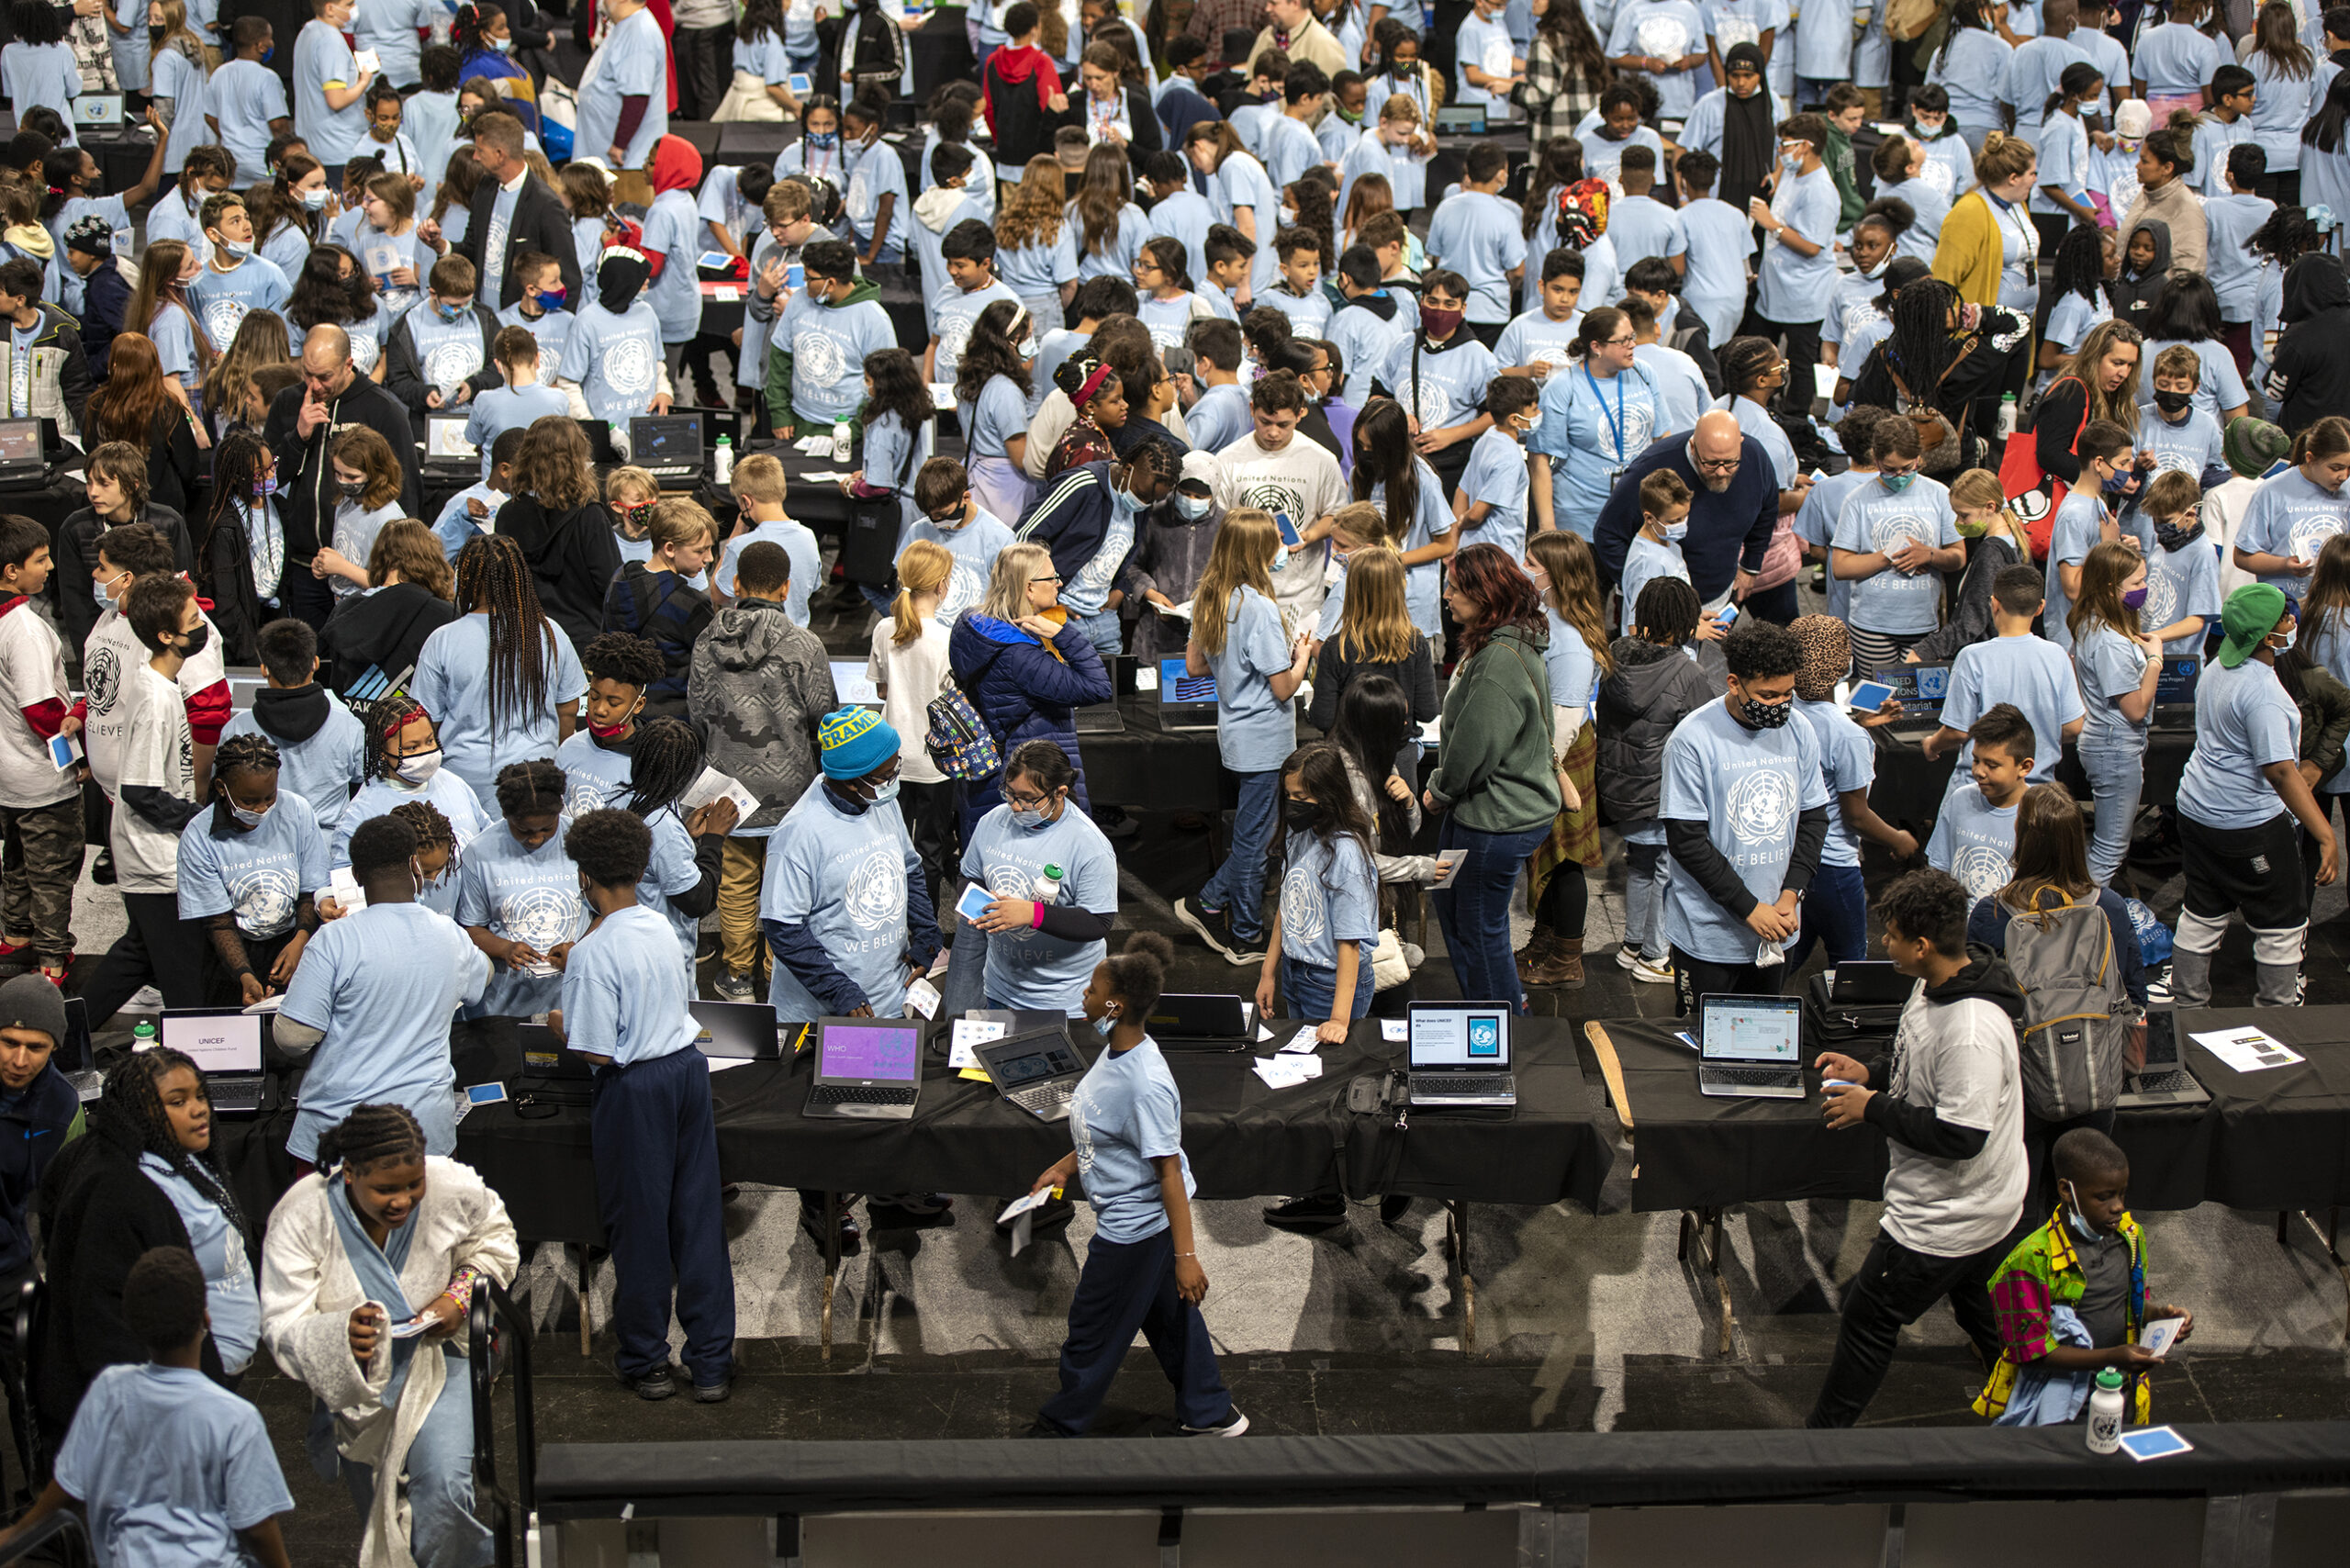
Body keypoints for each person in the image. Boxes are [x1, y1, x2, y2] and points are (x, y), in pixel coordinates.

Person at [1807, 867, 2028, 1428]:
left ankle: (1819, 1442)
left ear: (1922, 944)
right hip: (1980, 1211)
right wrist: (1873, 1073)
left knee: (1868, 1316)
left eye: (1893, 935)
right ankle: (2028, 1400)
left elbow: (1961, 1135)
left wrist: (1871, 1108)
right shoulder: (1935, 984)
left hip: (1948, 1216)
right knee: (1980, 1307)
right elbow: (1916, 1061)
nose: (1885, 943)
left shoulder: (1972, 1029)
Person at [259, 1103, 517, 1564]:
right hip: (358, 1382)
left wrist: (458, 1296)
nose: (402, 1200)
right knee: (381, 1512)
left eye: (413, 1184)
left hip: (438, 1357)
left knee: (443, 1488)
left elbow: (494, 1238)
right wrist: (340, 1335)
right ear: (351, 1173)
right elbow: (282, 1322)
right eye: (385, 1189)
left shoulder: (451, 1185)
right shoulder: (303, 1213)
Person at [1022, 928, 1242, 1436]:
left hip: (1136, 1229)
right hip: (1140, 1223)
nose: (1085, 994)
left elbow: (1168, 1172)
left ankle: (1059, 1428)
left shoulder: (1146, 1083)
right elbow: (1104, 1128)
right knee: (1170, 1318)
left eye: (1093, 990)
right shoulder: (1118, 1051)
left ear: (1115, 1005)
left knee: (1091, 1332)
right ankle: (1209, 1411)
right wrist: (1064, 1166)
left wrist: (1187, 1258)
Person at [553, 808, 736, 1401]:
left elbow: (597, 1051)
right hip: (687, 1072)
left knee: (641, 1229)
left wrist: (563, 1024)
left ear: (585, 877)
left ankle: (647, 1361)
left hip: (635, 1091)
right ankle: (711, 1364)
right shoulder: (657, 923)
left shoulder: (591, 955)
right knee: (699, 1219)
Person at [5, 1249, 292, 1568]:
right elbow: (258, 1528)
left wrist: (18, 1534)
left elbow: (68, 1487)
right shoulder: (237, 1419)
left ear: (132, 1322)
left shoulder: (109, 1390)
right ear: (206, 1317)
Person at [1964, 786, 2147, 1203]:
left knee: (2020, 1201)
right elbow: (2135, 994)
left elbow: (1978, 1009)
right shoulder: (2111, 908)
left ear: (2023, 838)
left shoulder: (1991, 915)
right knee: (2085, 1200)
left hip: (2020, 1088)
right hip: (2095, 1080)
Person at [2170, 584, 2342, 1008]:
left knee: (2202, 910)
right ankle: (2278, 1015)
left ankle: (2186, 1007)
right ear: (2267, 636)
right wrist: (2326, 835)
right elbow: (2281, 772)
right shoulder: (2263, 694)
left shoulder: (2215, 668)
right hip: (2248, 825)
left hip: (2195, 813)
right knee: (2282, 923)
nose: (2292, 623)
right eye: (2285, 618)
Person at [689, 541, 835, 1002]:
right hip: (792, 791)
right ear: (787, 587)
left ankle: (736, 977)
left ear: (736, 583)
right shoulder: (804, 644)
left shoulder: (706, 642)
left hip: (728, 790)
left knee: (734, 883)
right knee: (783, 886)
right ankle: (776, 975)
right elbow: (824, 715)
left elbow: (697, 712)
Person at [1975, 1128, 2193, 1427]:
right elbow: (2030, 1351)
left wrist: (2161, 1317)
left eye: (2121, 1193)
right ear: (2067, 1190)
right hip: (2058, 1405)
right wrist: (2111, 1357)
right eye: (2103, 1197)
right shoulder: (2030, 1260)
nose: (2118, 1206)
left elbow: (2128, 1304)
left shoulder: (2130, 1237)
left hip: (2120, 1392)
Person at [1173, 510, 1312, 967]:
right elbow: (1283, 687)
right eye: (1276, 541)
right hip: (1267, 741)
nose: (1283, 549)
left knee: (1255, 836)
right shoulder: (1260, 607)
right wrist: (1304, 656)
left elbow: (1194, 666)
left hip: (1235, 737)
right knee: (1255, 843)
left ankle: (1209, 903)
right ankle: (1244, 934)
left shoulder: (1210, 596)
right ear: (1257, 551)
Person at [81, 574, 213, 1025]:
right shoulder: (157, 699)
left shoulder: (156, 681)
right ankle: (192, 1058)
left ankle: (64, 1037)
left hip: (148, 856)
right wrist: (197, 817)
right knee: (183, 978)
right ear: (166, 636)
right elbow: (139, 790)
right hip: (155, 860)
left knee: (136, 955)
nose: (202, 626)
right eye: (193, 619)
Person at [263, 324, 422, 627]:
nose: (314, 385)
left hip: (362, 572)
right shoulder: (287, 402)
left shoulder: (383, 408)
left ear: (348, 364)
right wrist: (298, 436)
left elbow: (407, 493)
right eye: (307, 374)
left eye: (324, 376)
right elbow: (268, 479)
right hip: (305, 563)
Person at [411, 532, 587, 802]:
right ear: (519, 577)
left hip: (464, 781)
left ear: (465, 577)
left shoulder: (442, 640)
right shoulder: (550, 632)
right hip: (536, 779)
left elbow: (425, 721)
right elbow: (568, 711)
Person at [1516, 531, 1611, 988]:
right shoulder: (1545, 618)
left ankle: (1566, 959)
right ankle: (1544, 940)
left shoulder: (1570, 641)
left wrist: (1544, 766)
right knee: (1545, 854)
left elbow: (1568, 716)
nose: (1522, 567)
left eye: (1530, 561)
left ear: (1554, 574)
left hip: (1561, 756)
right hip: (1546, 751)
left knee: (1564, 857)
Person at [175, 732, 327, 1007]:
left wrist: (300, 941)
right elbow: (217, 922)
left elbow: (310, 891)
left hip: (295, 940)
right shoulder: (198, 837)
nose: (261, 809)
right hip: (231, 954)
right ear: (222, 788)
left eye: (269, 798)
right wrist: (243, 974)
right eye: (248, 801)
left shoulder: (297, 812)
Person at [0, 519, 79, 986]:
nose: (50, 567)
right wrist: (81, 744)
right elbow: (42, 709)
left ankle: (15, 935)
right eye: (41, 560)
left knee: (16, 861)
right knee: (51, 873)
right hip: (40, 776)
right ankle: (51, 961)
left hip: (8, 774)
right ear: (11, 570)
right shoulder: (24, 630)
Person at [1922, 565, 2085, 790]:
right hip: (2038, 790)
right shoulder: (2057, 655)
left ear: (1994, 603)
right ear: (2040, 608)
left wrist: (1932, 745)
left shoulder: (1973, 657)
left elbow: (1957, 730)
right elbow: (2074, 727)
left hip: (1978, 788)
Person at [1831, 417, 1963, 675]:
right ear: (1876, 460)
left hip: (1922, 623)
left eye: (1907, 468)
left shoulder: (1939, 494)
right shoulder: (1857, 500)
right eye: (1890, 470)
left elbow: (1958, 557)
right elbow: (1841, 566)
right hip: (1872, 624)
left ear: (1919, 459)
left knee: (1918, 704)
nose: (1899, 477)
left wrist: (1930, 555)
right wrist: (1891, 555)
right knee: (1877, 701)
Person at [1528, 308, 1665, 543]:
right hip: (1581, 520)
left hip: (1639, 513)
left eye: (1632, 337)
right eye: (1623, 341)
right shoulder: (1563, 387)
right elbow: (1539, 459)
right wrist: (1548, 527)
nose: (1633, 345)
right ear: (1596, 347)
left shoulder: (1643, 373)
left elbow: (1661, 439)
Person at [219, 617, 367, 837]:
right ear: (315, 663)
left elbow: (222, 794)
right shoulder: (350, 727)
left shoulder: (236, 729)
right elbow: (366, 789)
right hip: (331, 849)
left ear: (264, 669)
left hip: (258, 848)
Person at [601, 498, 717, 721]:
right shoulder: (690, 604)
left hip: (624, 719)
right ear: (670, 548)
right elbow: (712, 669)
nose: (709, 558)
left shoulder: (619, 581)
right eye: (700, 550)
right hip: (674, 726)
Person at [1927, 703, 2035, 902]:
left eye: (1992, 765)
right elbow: (1939, 869)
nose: (1979, 772)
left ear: (2024, 767)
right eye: (1976, 760)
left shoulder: (2039, 815)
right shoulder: (1960, 799)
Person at [2233, 415, 2350, 598]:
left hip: (2335, 608)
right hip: (2284, 608)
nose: (2344, 476)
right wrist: (2285, 564)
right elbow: (2242, 556)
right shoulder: (2272, 490)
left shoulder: (2348, 490)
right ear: (2310, 458)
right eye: (2336, 468)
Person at [552, 632, 664, 814]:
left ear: (638, 705)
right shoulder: (569, 749)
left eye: (614, 703)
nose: (600, 710)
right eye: (594, 697)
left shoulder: (647, 764)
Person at [576, 0, 668, 169]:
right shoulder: (626, 25)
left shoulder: (639, 33)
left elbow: (637, 97)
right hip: (609, 157)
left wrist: (619, 145)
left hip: (627, 163)